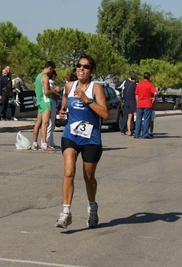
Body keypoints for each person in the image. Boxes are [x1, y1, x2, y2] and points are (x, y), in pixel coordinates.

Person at [55, 54, 109, 229]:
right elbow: (65, 99)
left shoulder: (96, 88)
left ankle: (92, 207)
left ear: (92, 71)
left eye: (85, 67)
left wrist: (87, 100)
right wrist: (63, 111)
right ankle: (66, 212)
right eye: (79, 65)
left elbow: (105, 114)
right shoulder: (69, 85)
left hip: (91, 139)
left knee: (88, 177)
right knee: (69, 171)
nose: (81, 69)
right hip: (71, 135)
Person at [31, 61, 57, 151]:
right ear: (49, 68)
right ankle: (44, 144)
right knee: (45, 123)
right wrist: (54, 90)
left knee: (38, 123)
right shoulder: (45, 77)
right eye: (52, 70)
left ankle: (34, 143)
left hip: (40, 102)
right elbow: (46, 92)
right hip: (46, 102)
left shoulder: (38, 76)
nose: (51, 72)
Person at [134, 72, 157, 139]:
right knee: (146, 120)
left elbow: (136, 95)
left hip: (140, 104)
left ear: (143, 77)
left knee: (138, 119)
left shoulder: (139, 85)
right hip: (147, 104)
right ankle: (145, 134)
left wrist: (137, 102)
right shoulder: (150, 85)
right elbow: (155, 93)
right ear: (149, 77)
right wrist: (153, 98)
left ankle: (137, 134)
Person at [120, 71, 137, 136]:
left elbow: (117, 87)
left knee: (127, 117)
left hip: (126, 101)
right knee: (133, 117)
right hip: (132, 101)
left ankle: (127, 130)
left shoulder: (126, 83)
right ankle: (132, 130)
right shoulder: (135, 85)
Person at [46, 70, 60, 149]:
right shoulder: (50, 83)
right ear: (53, 76)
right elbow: (55, 96)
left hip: (52, 105)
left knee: (51, 125)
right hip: (50, 104)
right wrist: (56, 91)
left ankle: (51, 142)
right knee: (50, 124)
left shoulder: (50, 83)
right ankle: (48, 142)